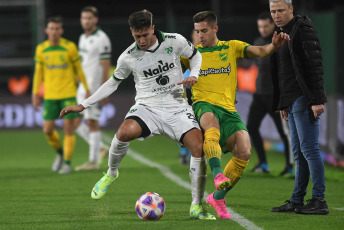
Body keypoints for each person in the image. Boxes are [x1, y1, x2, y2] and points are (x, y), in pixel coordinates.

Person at [60, 9, 216, 220]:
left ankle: (196, 206)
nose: (141, 40)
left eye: (145, 35)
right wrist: (84, 105)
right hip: (147, 107)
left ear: (152, 28)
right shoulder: (128, 56)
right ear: (132, 32)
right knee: (123, 133)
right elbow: (112, 83)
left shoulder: (174, 41)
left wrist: (194, 75)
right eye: (137, 36)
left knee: (199, 148)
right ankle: (111, 173)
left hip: (177, 106)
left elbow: (195, 56)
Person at [181, 11, 289, 219]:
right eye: (197, 32)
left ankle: (218, 197)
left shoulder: (231, 47)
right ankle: (218, 173)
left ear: (215, 29)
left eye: (204, 31)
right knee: (210, 126)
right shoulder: (191, 55)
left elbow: (259, 51)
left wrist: (274, 46)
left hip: (229, 109)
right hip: (203, 105)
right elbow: (168, 70)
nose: (200, 35)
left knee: (245, 151)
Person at [269, 0, 329, 215]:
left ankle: (319, 200)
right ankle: (297, 200)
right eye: (273, 11)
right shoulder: (280, 34)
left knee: (309, 149)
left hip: (305, 98)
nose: (276, 15)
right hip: (292, 100)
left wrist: (317, 99)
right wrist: (283, 101)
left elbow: (315, 65)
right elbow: (283, 72)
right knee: (299, 152)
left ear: (291, 9)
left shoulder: (302, 30)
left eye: (280, 10)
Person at [32, 16, 90, 174]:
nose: (54, 32)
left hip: (68, 94)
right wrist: (35, 93)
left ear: (61, 31)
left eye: (57, 29)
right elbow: (38, 74)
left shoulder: (69, 47)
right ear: (46, 30)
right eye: (51, 28)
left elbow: (79, 70)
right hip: (50, 95)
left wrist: (86, 88)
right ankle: (59, 153)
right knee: (47, 130)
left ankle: (66, 163)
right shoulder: (41, 49)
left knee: (69, 130)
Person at [247, 12, 293, 175]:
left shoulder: (281, 42)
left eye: (266, 25)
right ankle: (263, 163)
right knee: (251, 127)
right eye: (260, 26)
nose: (263, 29)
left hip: (275, 96)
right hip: (259, 95)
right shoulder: (258, 42)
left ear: (273, 25)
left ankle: (289, 166)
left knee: (284, 132)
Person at [74, 6, 112, 171]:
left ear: (95, 19)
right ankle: (101, 147)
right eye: (84, 18)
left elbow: (106, 65)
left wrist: (104, 89)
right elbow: (82, 62)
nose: (86, 21)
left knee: (92, 122)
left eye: (89, 18)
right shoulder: (82, 37)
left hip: (94, 88)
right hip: (82, 86)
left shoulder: (102, 39)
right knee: (75, 123)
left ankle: (93, 162)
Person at [179, 30, 201, 165]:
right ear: (193, 36)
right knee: (184, 122)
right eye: (197, 33)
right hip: (186, 92)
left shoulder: (207, 52)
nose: (200, 36)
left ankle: (195, 151)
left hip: (201, 93)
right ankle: (184, 152)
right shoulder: (186, 52)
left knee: (198, 124)